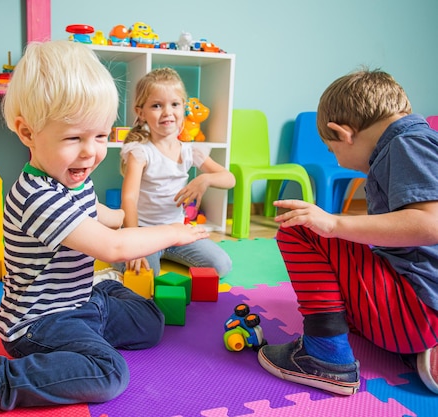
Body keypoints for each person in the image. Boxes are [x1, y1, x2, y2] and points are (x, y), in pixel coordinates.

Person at [0, 40, 211, 417]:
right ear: (28, 133)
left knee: (151, 322)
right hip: (39, 322)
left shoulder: (73, 177)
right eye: (75, 138)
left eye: (102, 137)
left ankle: (99, 301)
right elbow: (112, 246)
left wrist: (127, 218)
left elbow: (99, 213)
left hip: (80, 300)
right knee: (109, 374)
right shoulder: (36, 196)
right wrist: (174, 232)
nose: (91, 153)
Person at [257, 68, 438, 396]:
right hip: (420, 316)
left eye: (332, 149)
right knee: (341, 237)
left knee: (301, 229)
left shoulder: (407, 142)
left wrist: (335, 223)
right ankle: (419, 351)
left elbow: (431, 224)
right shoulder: (411, 142)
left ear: (342, 132)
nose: (339, 161)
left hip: (419, 314)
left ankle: (325, 357)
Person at [112, 67, 235, 277]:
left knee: (221, 266)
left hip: (177, 232)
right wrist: (132, 241)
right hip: (144, 232)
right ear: (141, 112)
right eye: (157, 105)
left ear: (183, 108)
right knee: (144, 276)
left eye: (175, 104)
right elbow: (129, 199)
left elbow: (229, 179)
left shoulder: (190, 150)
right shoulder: (140, 152)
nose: (168, 112)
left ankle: (165, 252)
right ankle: (117, 248)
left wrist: (205, 179)